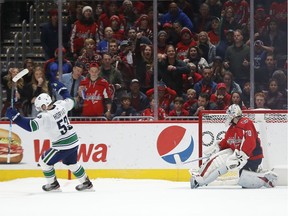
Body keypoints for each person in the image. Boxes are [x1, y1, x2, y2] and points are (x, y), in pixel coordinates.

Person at [5, 80, 93, 192]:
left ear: (43, 105)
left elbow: (30, 126)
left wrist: (15, 117)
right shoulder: (61, 105)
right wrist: (61, 88)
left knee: (44, 161)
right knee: (71, 163)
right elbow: (70, 99)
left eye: (41, 107)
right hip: (73, 140)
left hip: (62, 145)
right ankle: (86, 183)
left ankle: (53, 185)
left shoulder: (45, 116)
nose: (40, 110)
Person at [190, 104, 278, 189]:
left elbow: (250, 142)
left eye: (229, 115)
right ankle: (201, 176)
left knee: (244, 180)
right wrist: (218, 147)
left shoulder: (246, 122)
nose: (228, 117)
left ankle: (265, 179)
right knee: (218, 160)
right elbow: (228, 141)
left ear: (234, 115)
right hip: (240, 156)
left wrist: (242, 156)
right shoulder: (232, 128)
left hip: (253, 158)